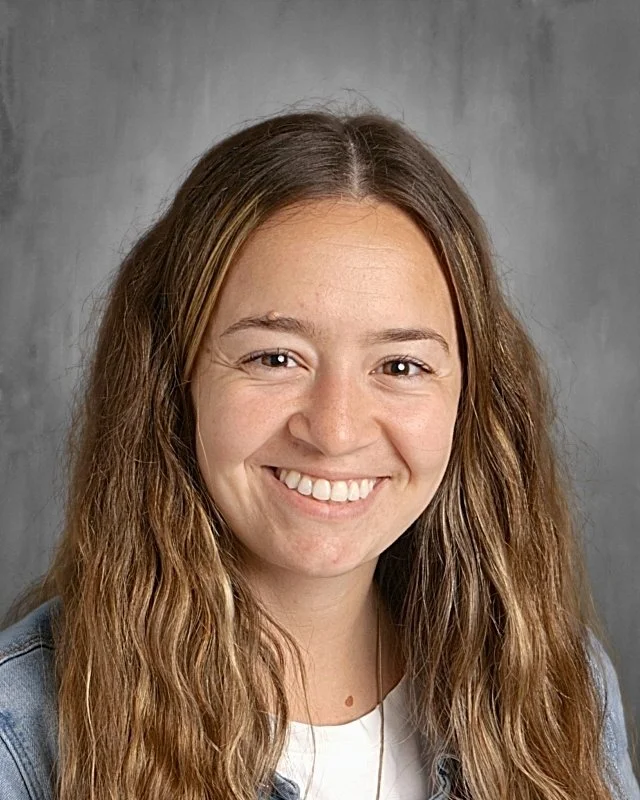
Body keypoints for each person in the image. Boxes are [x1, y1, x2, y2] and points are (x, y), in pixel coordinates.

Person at [0, 108, 637, 800]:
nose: (334, 431)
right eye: (275, 357)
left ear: (470, 399)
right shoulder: (23, 732)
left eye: (399, 366)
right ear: (172, 382)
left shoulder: (561, 685)